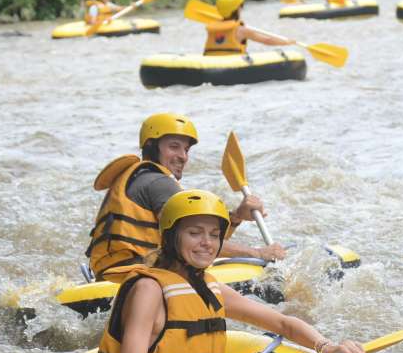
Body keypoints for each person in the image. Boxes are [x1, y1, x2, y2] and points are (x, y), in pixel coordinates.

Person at [92, 189, 370, 353]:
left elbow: (282, 323)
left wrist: (326, 346)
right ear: (170, 236)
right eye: (195, 233)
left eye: (214, 235)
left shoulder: (209, 286)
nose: (207, 243)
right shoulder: (148, 290)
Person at [86, 113, 287, 280]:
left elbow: (195, 237)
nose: (183, 156)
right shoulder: (159, 183)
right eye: (174, 146)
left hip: (111, 273)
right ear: (151, 146)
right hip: (135, 275)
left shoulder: (136, 176)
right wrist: (259, 254)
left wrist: (235, 217)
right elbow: (200, 241)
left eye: (186, 149)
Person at [204, 0, 294, 56]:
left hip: (211, 62)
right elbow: (267, 40)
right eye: (241, 6)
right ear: (237, 9)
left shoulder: (212, 27)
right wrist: (286, 42)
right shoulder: (242, 30)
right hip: (233, 63)